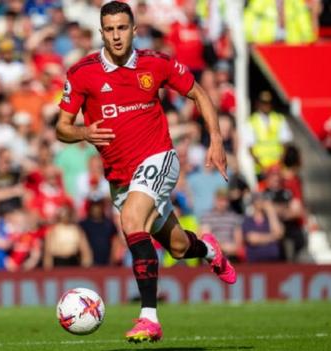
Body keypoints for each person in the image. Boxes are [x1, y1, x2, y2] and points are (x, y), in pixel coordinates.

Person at [55, 1, 235, 343]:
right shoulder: (82, 72)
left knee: (132, 222)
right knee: (179, 248)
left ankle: (149, 317)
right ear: (101, 33)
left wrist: (217, 141)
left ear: (134, 29)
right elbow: (61, 128)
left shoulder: (157, 62)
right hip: (120, 178)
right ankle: (209, 250)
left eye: (122, 28)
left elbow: (198, 94)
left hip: (159, 158)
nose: (116, 35)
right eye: (109, 29)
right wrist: (84, 132)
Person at [245, 90, 293, 177]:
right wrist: (262, 167)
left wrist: (279, 163)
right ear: (258, 103)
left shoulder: (279, 119)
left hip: (277, 167)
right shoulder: (251, 121)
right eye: (263, 103)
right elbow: (250, 148)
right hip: (260, 168)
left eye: (268, 103)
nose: (266, 105)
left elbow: (285, 144)